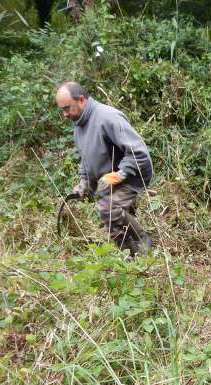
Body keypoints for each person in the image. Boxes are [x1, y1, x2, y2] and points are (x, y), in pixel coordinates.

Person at [55, 81, 154, 255]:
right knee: (112, 220)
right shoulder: (79, 127)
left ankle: (142, 243)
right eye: (62, 110)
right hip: (108, 181)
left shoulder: (108, 117)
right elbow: (86, 159)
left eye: (67, 108)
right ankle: (128, 256)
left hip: (133, 175)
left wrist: (117, 176)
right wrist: (83, 182)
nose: (64, 114)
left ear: (81, 100)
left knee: (107, 208)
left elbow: (138, 153)